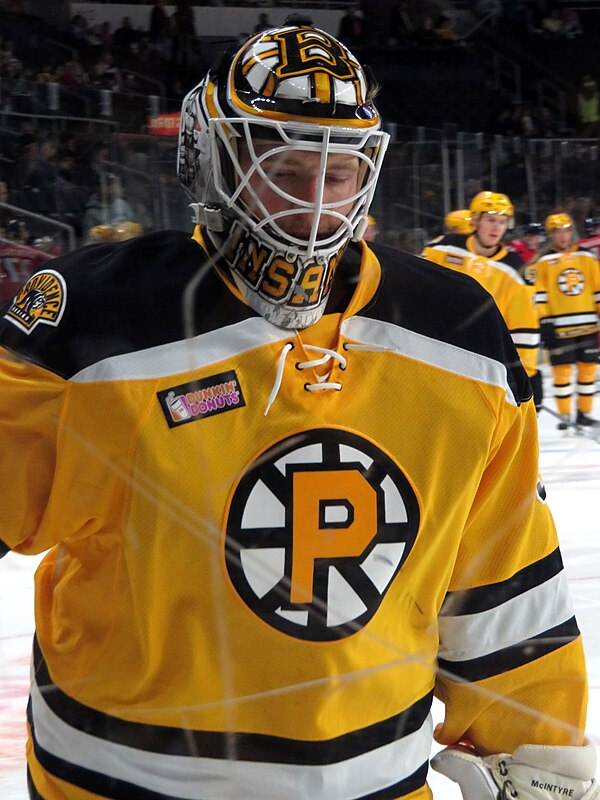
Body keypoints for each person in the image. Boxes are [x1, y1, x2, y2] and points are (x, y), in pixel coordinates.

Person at [0, 24, 595, 800]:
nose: (313, 203)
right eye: (283, 169)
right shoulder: (96, 321)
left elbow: (504, 578)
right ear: (215, 163)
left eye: (338, 172)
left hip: (373, 785)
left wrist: (538, 755)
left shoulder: (457, 333)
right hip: (118, 780)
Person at [421, 191, 543, 410]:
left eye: (503, 222)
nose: (497, 228)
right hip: (436, 349)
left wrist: (528, 373)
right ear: (475, 220)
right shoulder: (442, 249)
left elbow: (524, 325)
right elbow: (415, 290)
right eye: (491, 220)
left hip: (483, 360)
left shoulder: (514, 270)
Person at [532, 212, 600, 431]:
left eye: (566, 230)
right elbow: (539, 294)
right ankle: (565, 416)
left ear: (571, 231)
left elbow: (597, 288)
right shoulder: (542, 261)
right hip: (559, 327)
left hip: (588, 325)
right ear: (551, 235)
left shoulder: (587, 257)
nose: (563, 236)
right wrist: (544, 320)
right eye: (557, 232)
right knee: (562, 371)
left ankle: (583, 414)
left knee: (588, 370)